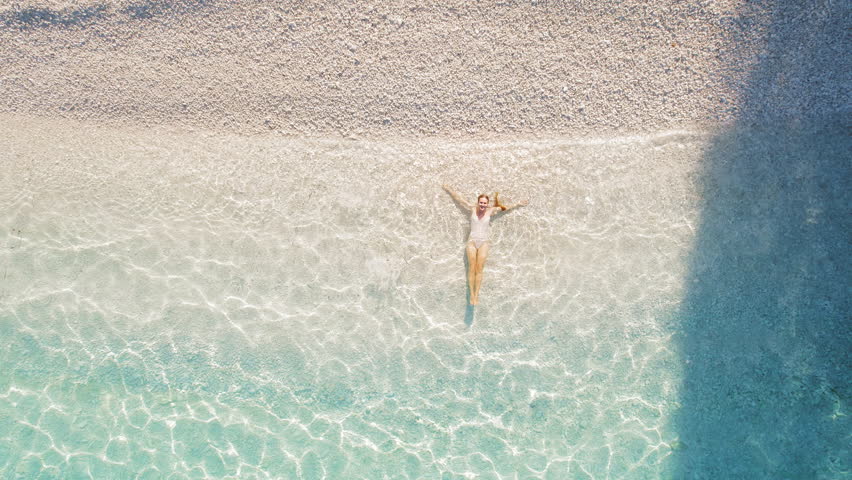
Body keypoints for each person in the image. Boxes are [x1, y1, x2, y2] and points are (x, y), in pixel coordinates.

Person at [442, 185, 528, 305]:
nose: (482, 205)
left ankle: (476, 295)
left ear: (488, 204)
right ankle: (471, 294)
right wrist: (449, 190)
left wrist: (518, 204)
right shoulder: (472, 208)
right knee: (472, 268)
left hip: (484, 243)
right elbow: (459, 199)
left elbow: (505, 208)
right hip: (472, 241)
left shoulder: (491, 210)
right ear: (478, 202)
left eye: (485, 203)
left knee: (479, 269)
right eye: (481, 203)